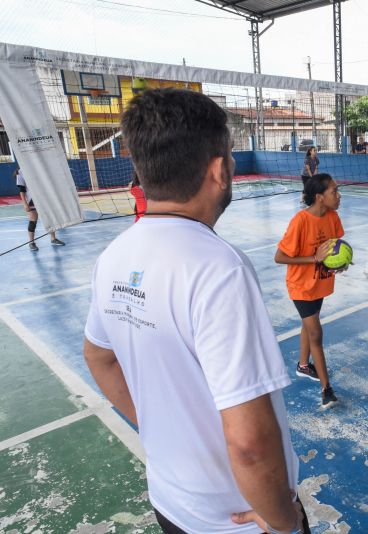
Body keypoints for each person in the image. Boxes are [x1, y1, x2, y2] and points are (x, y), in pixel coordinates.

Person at [83, 89, 308, 534]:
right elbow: (250, 444)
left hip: (170, 500)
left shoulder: (113, 254)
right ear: (220, 170)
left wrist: (161, 429)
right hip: (234, 518)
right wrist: (283, 521)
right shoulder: (218, 267)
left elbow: (99, 357)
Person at [275, 173, 345, 409]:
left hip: (320, 282)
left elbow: (335, 249)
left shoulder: (333, 217)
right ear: (319, 197)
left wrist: (340, 262)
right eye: (334, 191)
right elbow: (279, 257)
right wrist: (315, 258)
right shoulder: (300, 221)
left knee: (309, 322)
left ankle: (303, 365)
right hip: (300, 285)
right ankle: (327, 389)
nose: (339, 195)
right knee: (315, 332)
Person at [15, 167, 65, 251]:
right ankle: (31, 243)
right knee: (33, 220)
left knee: (50, 217)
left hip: (44, 198)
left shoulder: (37, 166)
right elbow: (21, 190)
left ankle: (53, 239)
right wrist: (25, 203)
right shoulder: (20, 172)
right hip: (32, 199)